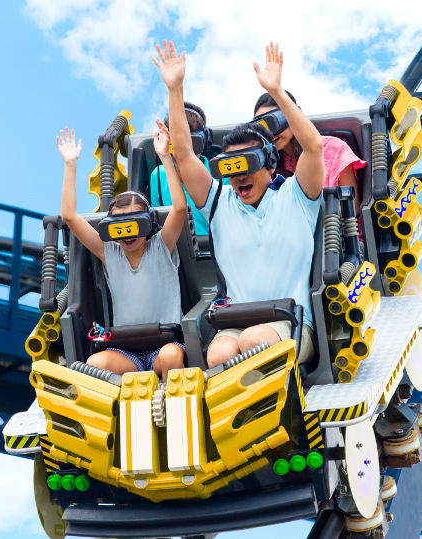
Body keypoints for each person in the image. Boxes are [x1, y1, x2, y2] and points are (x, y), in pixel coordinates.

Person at [153, 40, 324, 367]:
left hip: (289, 322)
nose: (238, 178)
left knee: (253, 342)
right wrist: (175, 90)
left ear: (270, 164)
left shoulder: (297, 197)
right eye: (231, 169)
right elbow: (185, 155)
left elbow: (313, 147)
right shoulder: (219, 203)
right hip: (236, 321)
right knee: (218, 352)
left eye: (247, 166)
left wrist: (276, 93)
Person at [57, 123, 187, 381]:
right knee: (95, 362)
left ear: (148, 223)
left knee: (172, 357)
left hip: (166, 346)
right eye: (120, 227)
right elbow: (70, 217)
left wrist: (164, 156)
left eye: (134, 225)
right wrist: (70, 165)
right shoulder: (109, 253)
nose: (127, 234)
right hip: (127, 351)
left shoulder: (162, 245)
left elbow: (180, 208)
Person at [254, 91, 366, 240]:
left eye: (274, 122)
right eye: (261, 126)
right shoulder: (265, 165)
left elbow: (353, 207)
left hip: (338, 244)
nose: (269, 132)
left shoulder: (333, 147)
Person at [149, 102, 228, 236]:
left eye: (190, 141)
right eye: (176, 141)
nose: (183, 150)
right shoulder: (157, 176)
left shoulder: (222, 173)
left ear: (204, 141)